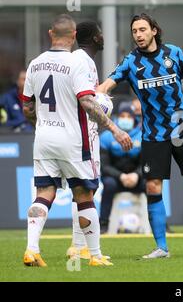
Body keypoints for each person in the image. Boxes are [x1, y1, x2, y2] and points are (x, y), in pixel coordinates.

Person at [96, 13, 183, 258]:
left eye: (143, 29)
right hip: (153, 134)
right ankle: (161, 248)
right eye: (134, 31)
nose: (138, 35)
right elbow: (106, 85)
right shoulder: (131, 62)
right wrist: (95, 95)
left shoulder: (174, 53)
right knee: (153, 187)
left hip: (182, 129)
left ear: (154, 31)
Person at [20, 14, 132, 267]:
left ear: (50, 34)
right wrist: (115, 129)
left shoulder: (35, 64)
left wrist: (42, 126)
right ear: (73, 36)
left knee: (43, 194)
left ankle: (32, 250)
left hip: (44, 139)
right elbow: (87, 102)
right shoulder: (74, 63)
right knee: (84, 194)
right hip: (73, 141)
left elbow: (27, 108)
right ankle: (93, 255)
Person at [65, 20, 107, 260]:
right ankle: (82, 247)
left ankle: (78, 246)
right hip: (84, 132)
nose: (102, 37)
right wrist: (104, 108)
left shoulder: (80, 59)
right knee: (85, 190)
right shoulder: (83, 60)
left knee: (81, 190)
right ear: (94, 38)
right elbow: (86, 100)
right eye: (100, 33)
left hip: (77, 131)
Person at [99, 105, 144, 233]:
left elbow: (146, 163)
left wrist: (136, 175)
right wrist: (121, 176)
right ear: (117, 118)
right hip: (116, 179)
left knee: (152, 184)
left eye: (129, 116)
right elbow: (104, 166)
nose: (125, 119)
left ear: (134, 119)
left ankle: (161, 223)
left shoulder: (142, 136)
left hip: (137, 179)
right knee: (109, 184)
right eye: (122, 116)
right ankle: (103, 224)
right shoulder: (106, 137)